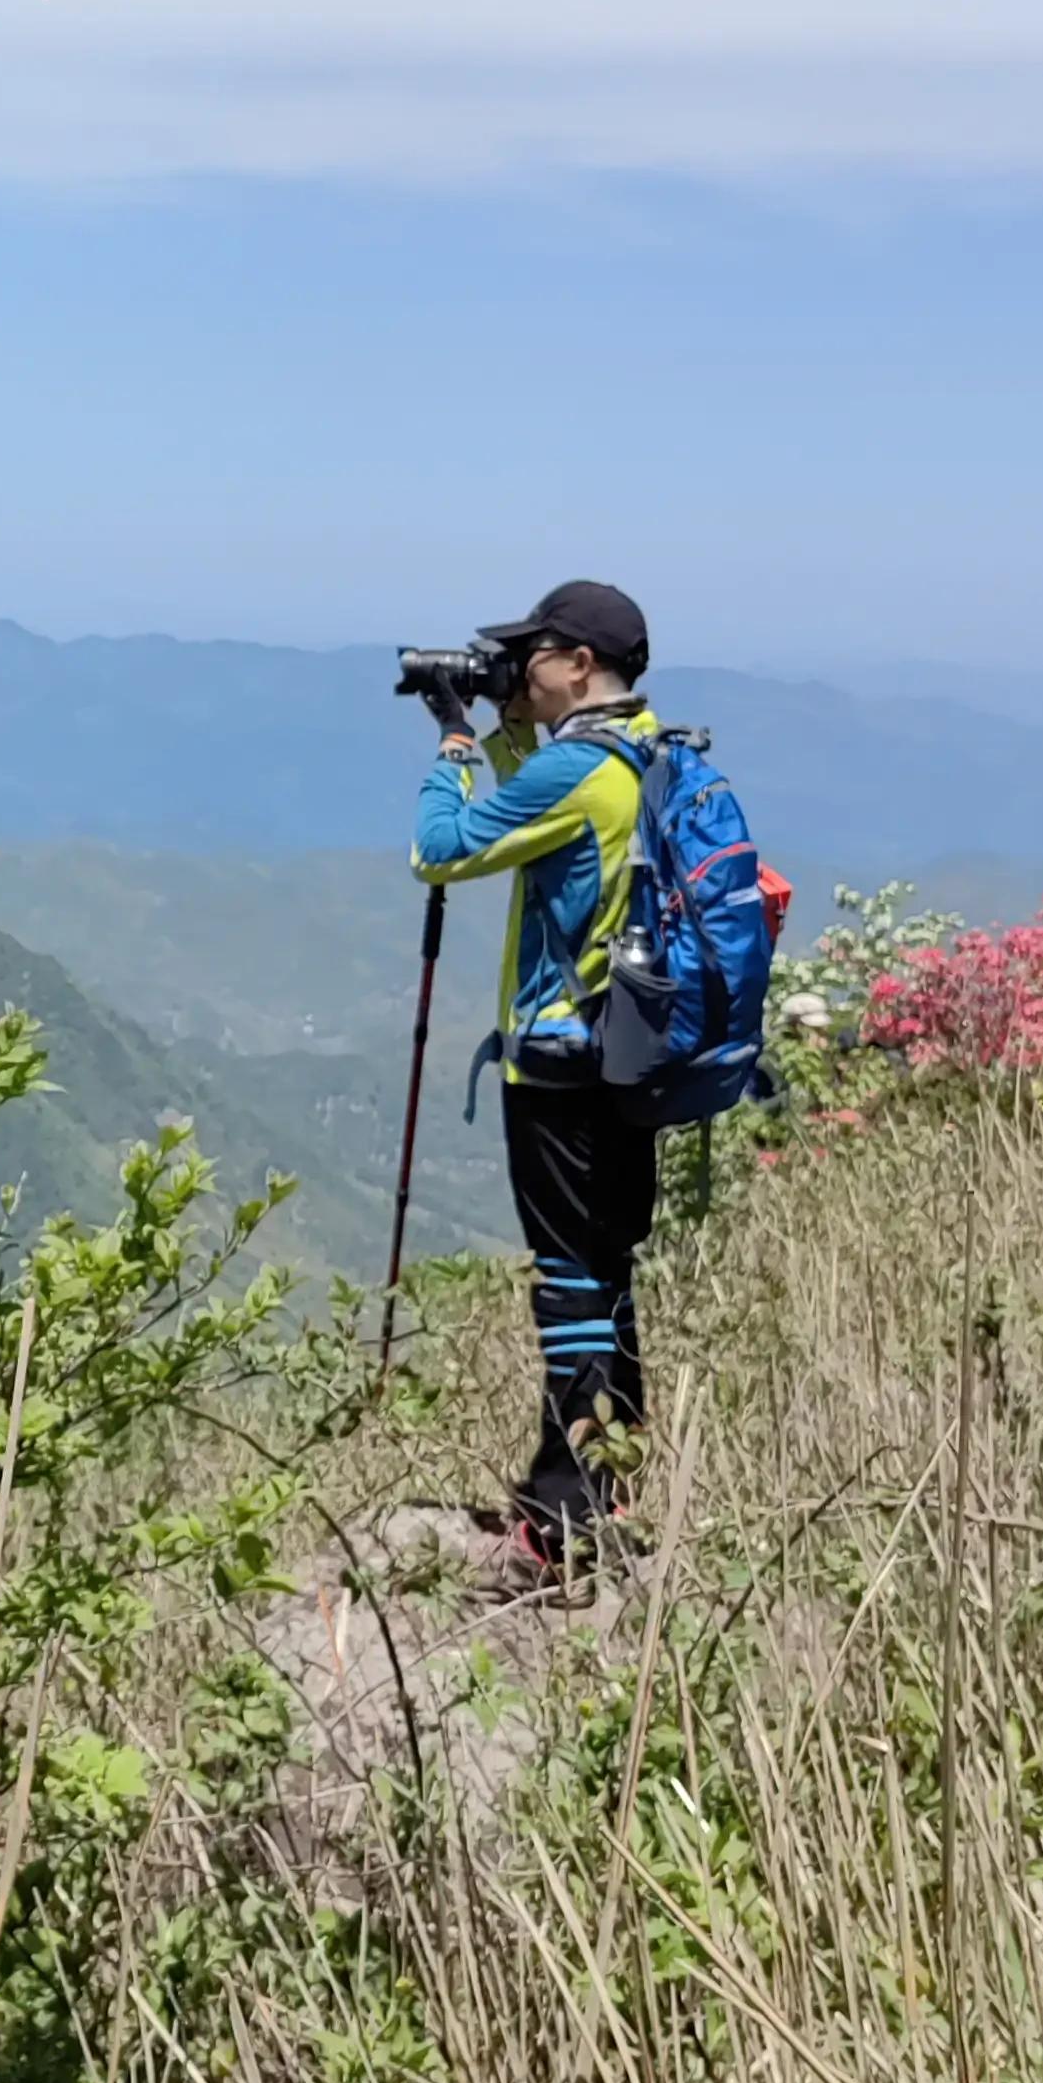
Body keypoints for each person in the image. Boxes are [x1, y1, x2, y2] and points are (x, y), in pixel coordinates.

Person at [410, 579, 662, 1561]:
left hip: (561, 1063)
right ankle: (618, 1480)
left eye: (535, 654)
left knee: (566, 1280)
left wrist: (452, 742)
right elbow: (543, 801)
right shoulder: (638, 749)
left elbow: (443, 850)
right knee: (607, 1270)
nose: (522, 666)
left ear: (580, 664)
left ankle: (560, 1513)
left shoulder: (575, 771)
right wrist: (510, 725)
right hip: (631, 1057)